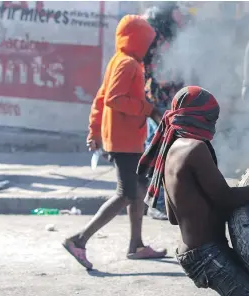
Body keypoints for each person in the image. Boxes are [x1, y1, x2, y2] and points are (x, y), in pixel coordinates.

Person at [136, 86, 249, 296]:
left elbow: (173, 217)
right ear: (198, 117)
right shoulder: (195, 148)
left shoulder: (172, 148)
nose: (213, 125)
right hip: (206, 254)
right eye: (211, 118)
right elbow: (225, 199)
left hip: (195, 251)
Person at [63, 15, 166, 270]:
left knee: (140, 188)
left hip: (124, 137)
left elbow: (100, 98)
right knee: (126, 194)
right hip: (124, 140)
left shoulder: (118, 60)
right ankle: (79, 239)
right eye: (146, 41)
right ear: (137, 40)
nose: (149, 47)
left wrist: (94, 132)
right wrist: (148, 109)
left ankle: (136, 245)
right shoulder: (128, 64)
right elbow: (114, 99)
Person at [142, 2, 186, 221]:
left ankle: (153, 200)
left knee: (163, 149)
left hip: (170, 97)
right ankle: (155, 202)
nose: (181, 13)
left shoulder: (171, 30)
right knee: (159, 150)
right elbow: (147, 66)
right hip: (158, 98)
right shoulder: (153, 31)